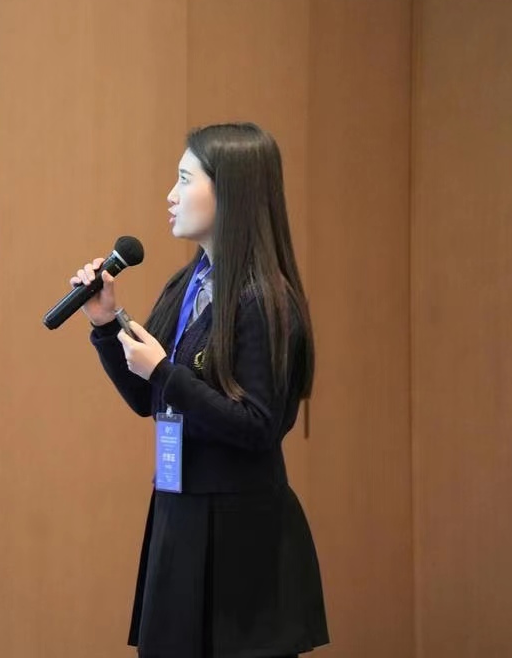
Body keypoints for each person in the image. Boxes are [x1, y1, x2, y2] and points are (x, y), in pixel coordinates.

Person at [70, 123, 330, 658]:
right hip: (179, 518)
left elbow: (257, 426)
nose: (171, 195)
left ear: (230, 191)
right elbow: (147, 397)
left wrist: (166, 372)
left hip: (241, 537)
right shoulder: (187, 284)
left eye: (185, 180)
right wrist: (106, 324)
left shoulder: (265, 301)